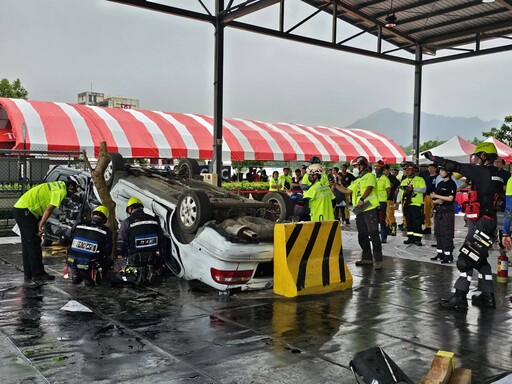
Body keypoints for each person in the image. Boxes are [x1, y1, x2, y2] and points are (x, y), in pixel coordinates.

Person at [424, 142, 504, 310]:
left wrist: (435, 159)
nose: (475, 159)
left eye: (477, 156)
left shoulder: (482, 172)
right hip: (491, 222)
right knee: (479, 257)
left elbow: (457, 166)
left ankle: (460, 297)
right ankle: (487, 295)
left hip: (480, 223)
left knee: (465, 258)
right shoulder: (501, 174)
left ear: (484, 156)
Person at [13, 177, 78, 282]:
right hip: (26, 211)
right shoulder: (61, 191)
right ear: (70, 187)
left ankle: (29, 273)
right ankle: (38, 274)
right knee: (34, 242)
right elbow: (49, 209)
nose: (71, 195)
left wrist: (39, 222)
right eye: (73, 192)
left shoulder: (57, 184)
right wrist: (41, 225)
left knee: (27, 243)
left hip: (22, 208)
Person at [333, 156, 383, 270]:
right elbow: (347, 190)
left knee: (373, 233)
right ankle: (367, 258)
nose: (355, 168)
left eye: (356, 166)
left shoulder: (370, 176)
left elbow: (370, 187)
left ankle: (378, 260)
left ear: (363, 165)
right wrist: (335, 185)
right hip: (360, 210)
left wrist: (362, 198)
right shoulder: (357, 180)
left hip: (369, 207)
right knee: (362, 234)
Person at [113, 197, 164, 285]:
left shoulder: (127, 222)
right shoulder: (154, 220)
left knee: (114, 272)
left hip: (134, 260)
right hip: (153, 259)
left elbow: (121, 243)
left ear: (130, 209)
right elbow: (162, 240)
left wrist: (119, 254)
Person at [64, 205, 113, 286]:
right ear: (105, 219)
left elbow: (65, 240)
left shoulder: (78, 225)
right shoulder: (106, 231)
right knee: (108, 261)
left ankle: (75, 274)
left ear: (92, 215)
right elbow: (108, 251)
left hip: (71, 259)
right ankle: (96, 279)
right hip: (89, 262)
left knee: (73, 257)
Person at [429, 166, 457, 264]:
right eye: (440, 171)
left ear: (448, 172)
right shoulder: (440, 183)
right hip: (438, 210)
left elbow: (450, 198)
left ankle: (448, 255)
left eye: (442, 171)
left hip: (447, 212)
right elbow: (434, 196)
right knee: (438, 233)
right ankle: (440, 253)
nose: (440, 172)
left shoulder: (451, 184)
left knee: (446, 233)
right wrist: (436, 200)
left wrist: (437, 197)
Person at [399, 162, 426, 246]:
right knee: (408, 222)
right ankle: (410, 238)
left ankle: (418, 239)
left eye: (409, 170)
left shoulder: (420, 179)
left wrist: (413, 189)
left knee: (416, 222)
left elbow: (423, 190)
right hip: (406, 204)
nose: (407, 171)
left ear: (414, 171)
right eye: (406, 170)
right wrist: (398, 202)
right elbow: (400, 193)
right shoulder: (404, 181)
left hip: (416, 204)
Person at [374, 160, 391, 243]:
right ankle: (375, 237)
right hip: (374, 202)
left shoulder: (385, 179)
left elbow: (388, 190)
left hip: (382, 203)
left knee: (381, 220)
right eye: (375, 167)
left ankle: (383, 237)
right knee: (374, 220)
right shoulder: (373, 178)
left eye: (378, 167)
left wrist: (384, 199)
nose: (376, 169)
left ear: (382, 169)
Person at [383, 165, 400, 236]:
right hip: (382, 200)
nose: (384, 171)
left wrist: (396, 190)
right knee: (384, 215)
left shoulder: (392, 178)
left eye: (385, 170)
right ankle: (387, 229)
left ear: (388, 170)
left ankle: (393, 229)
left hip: (390, 199)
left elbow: (399, 185)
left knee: (390, 214)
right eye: (383, 170)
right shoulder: (381, 177)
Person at [423, 164, 438, 235]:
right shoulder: (427, 177)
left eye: (431, 168)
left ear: (435, 169)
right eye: (429, 168)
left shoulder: (438, 177)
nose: (430, 169)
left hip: (435, 197)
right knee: (426, 212)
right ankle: (427, 227)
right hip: (427, 196)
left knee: (435, 213)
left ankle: (437, 228)